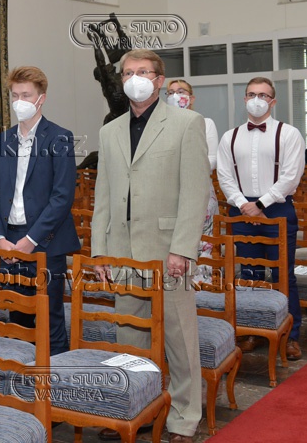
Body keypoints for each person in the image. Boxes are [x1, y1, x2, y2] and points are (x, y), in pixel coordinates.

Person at [91, 50, 208, 443]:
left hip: (167, 250)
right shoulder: (110, 131)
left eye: (143, 72)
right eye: (128, 73)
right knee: (129, 338)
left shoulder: (187, 124)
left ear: (159, 80)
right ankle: (137, 410)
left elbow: (195, 192)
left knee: (179, 339)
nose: (134, 78)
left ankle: (184, 417)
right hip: (122, 251)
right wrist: (99, 251)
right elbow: (103, 195)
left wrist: (183, 249)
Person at [0, 66, 79, 355]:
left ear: (41, 98)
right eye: (15, 95)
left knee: (50, 319)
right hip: (9, 242)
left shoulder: (60, 138)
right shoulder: (2, 141)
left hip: (45, 241)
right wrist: (0, 239)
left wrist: (31, 240)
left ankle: (56, 378)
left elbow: (62, 197)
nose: (19, 101)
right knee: (17, 318)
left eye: (26, 95)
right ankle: (22, 378)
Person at [216, 76, 305, 361]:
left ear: (273, 101)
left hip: (277, 208)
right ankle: (252, 330)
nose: (257, 99)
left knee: (283, 275)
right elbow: (224, 176)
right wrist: (245, 205)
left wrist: (261, 204)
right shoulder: (229, 137)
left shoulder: (289, 134)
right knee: (249, 274)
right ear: (244, 99)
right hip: (241, 210)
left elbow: (291, 176)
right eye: (252, 94)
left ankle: (290, 335)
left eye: (263, 95)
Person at [166, 79, 220, 283]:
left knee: (201, 243)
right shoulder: (161, 125)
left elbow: (212, 159)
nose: (176, 96)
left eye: (181, 91)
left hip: (199, 190)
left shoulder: (205, 123)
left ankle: (201, 287)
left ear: (192, 97)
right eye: (170, 92)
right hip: (169, 190)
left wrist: (186, 167)